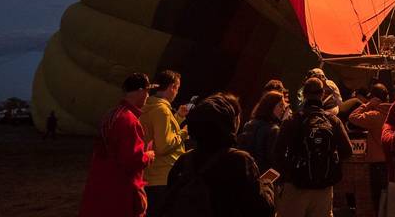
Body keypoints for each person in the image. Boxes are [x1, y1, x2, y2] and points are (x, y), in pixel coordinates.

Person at [162, 95, 274, 217]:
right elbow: (261, 210)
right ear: (230, 124)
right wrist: (266, 187)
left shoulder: (184, 160)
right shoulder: (239, 160)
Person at [274, 77, 354, 217]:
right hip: (324, 187)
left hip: (296, 185)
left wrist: (290, 172)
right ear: (322, 94)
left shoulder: (292, 120)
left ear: (304, 94)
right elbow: (347, 151)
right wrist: (328, 161)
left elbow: (277, 153)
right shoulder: (333, 121)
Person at [79, 73, 156, 217]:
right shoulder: (129, 120)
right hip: (122, 190)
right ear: (140, 91)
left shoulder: (111, 115)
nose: (147, 96)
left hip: (101, 185)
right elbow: (132, 160)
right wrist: (148, 155)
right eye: (147, 91)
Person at [140, 70, 188, 216]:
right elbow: (163, 146)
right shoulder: (162, 110)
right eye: (177, 88)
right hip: (164, 176)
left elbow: (160, 133)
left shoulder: (149, 105)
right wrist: (184, 132)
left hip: (151, 174)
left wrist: (178, 117)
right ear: (172, 87)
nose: (176, 93)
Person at [348, 83, 393, 211]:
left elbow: (353, 117)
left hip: (377, 164)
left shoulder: (374, 116)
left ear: (374, 98)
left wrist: (368, 105)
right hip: (393, 162)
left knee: (378, 199)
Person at [238, 91, 286, 173]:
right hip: (264, 176)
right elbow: (273, 160)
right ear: (271, 106)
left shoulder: (249, 124)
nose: (283, 109)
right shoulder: (274, 130)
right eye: (281, 106)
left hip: (246, 172)